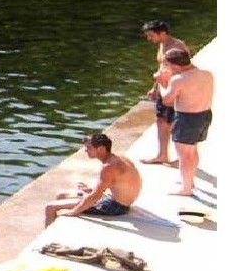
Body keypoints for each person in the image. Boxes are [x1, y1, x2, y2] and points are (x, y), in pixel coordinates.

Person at [44, 133, 142, 225]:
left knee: (50, 207)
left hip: (115, 206)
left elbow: (95, 196)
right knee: (61, 194)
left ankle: (47, 239)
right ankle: (59, 224)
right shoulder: (119, 157)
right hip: (117, 199)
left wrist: (74, 211)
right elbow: (117, 183)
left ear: (101, 149)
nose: (85, 150)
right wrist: (91, 189)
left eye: (89, 148)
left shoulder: (108, 167)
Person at [156, 48, 214, 196]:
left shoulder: (178, 79)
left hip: (187, 118)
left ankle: (186, 189)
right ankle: (189, 181)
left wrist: (162, 83)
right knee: (192, 151)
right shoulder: (206, 74)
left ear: (174, 65)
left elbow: (167, 100)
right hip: (204, 115)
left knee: (184, 155)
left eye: (167, 65)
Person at [141, 20, 189, 164]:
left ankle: (183, 158)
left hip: (174, 89)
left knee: (176, 123)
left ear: (162, 33)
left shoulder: (178, 46)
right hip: (163, 88)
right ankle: (162, 154)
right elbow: (161, 67)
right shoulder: (162, 44)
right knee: (161, 121)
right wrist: (154, 87)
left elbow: (186, 68)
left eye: (151, 35)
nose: (149, 39)